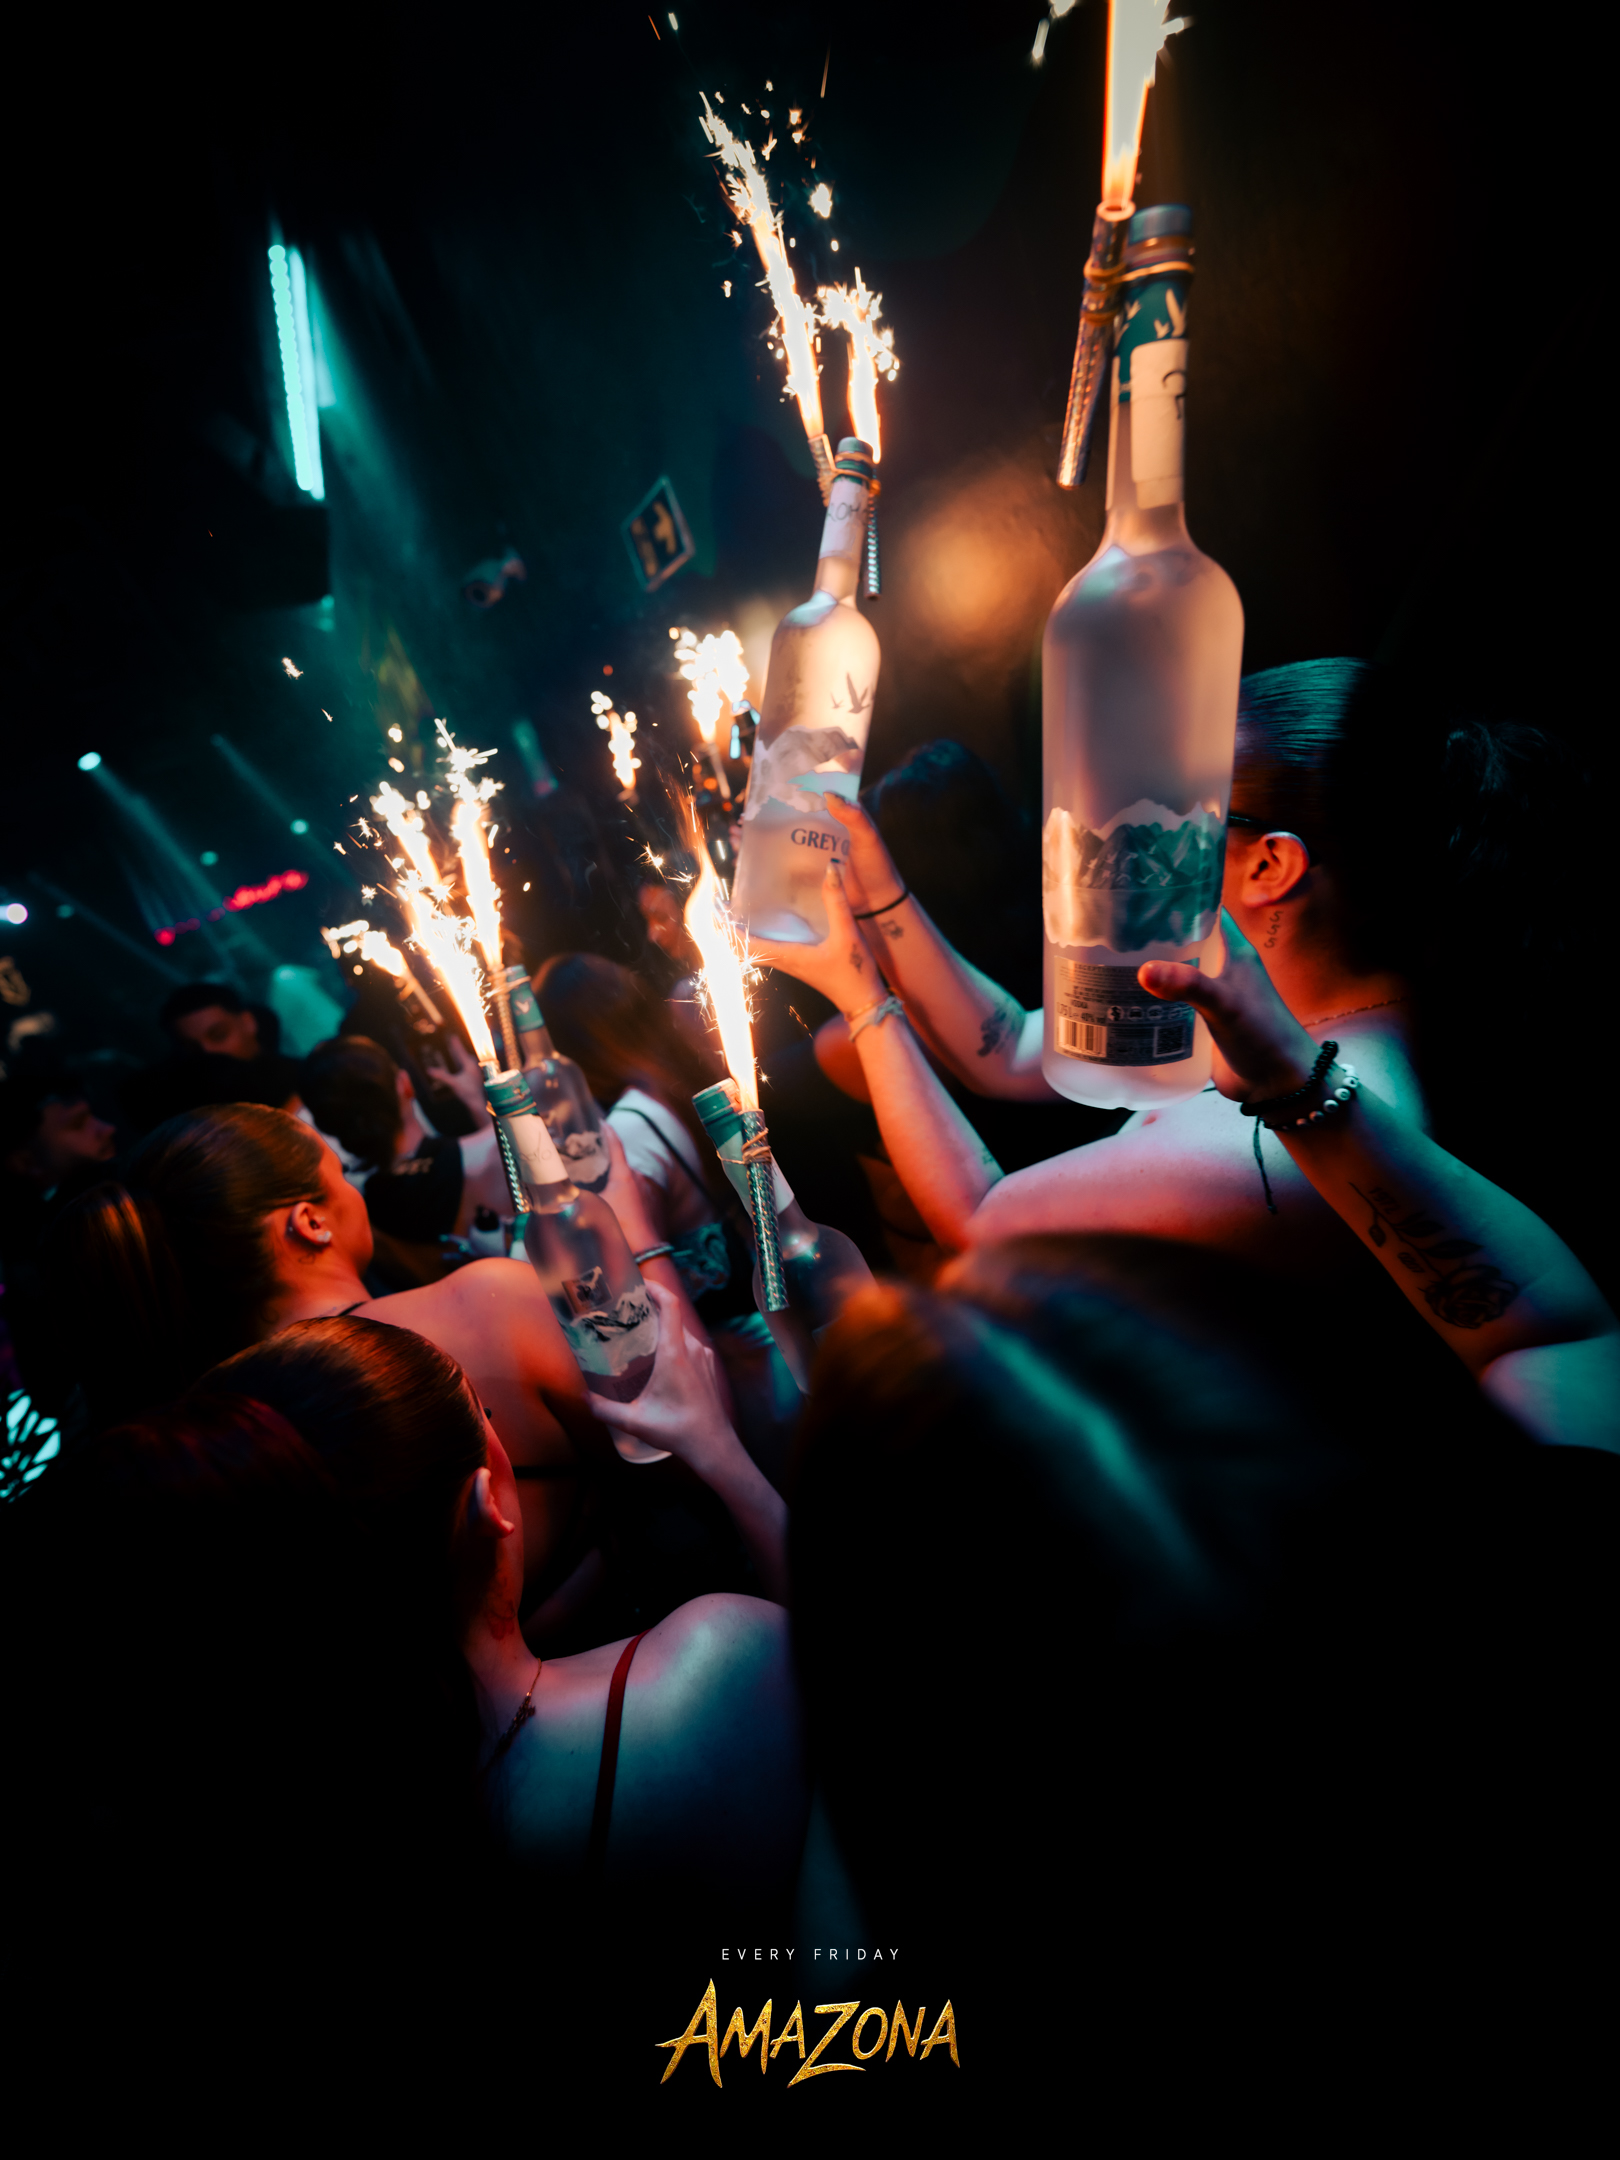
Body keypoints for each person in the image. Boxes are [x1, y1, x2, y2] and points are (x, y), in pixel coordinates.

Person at [191, 1314, 805, 1923]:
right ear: (486, 1507)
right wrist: (722, 1453)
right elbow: (837, 1658)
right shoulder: (722, 1661)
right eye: (486, 1414)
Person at [534, 951, 802, 1478]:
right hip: (781, 1338)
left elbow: (652, 1302)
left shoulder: (628, 1131)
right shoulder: (676, 1082)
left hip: (749, 1379)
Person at [300, 1033, 512, 1244]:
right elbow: (511, 1158)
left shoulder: (375, 1207)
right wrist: (478, 1098)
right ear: (404, 1083)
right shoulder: (485, 1155)